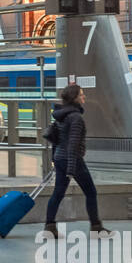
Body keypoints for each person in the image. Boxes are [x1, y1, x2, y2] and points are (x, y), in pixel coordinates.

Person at [42, 83, 111, 238]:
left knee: (58, 193)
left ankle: (49, 226)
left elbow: (56, 139)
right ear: (74, 98)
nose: (84, 96)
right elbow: (73, 144)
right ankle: (96, 228)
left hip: (60, 157)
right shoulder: (76, 118)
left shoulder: (62, 114)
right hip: (71, 159)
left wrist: (55, 159)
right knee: (91, 192)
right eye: (81, 94)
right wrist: (71, 169)